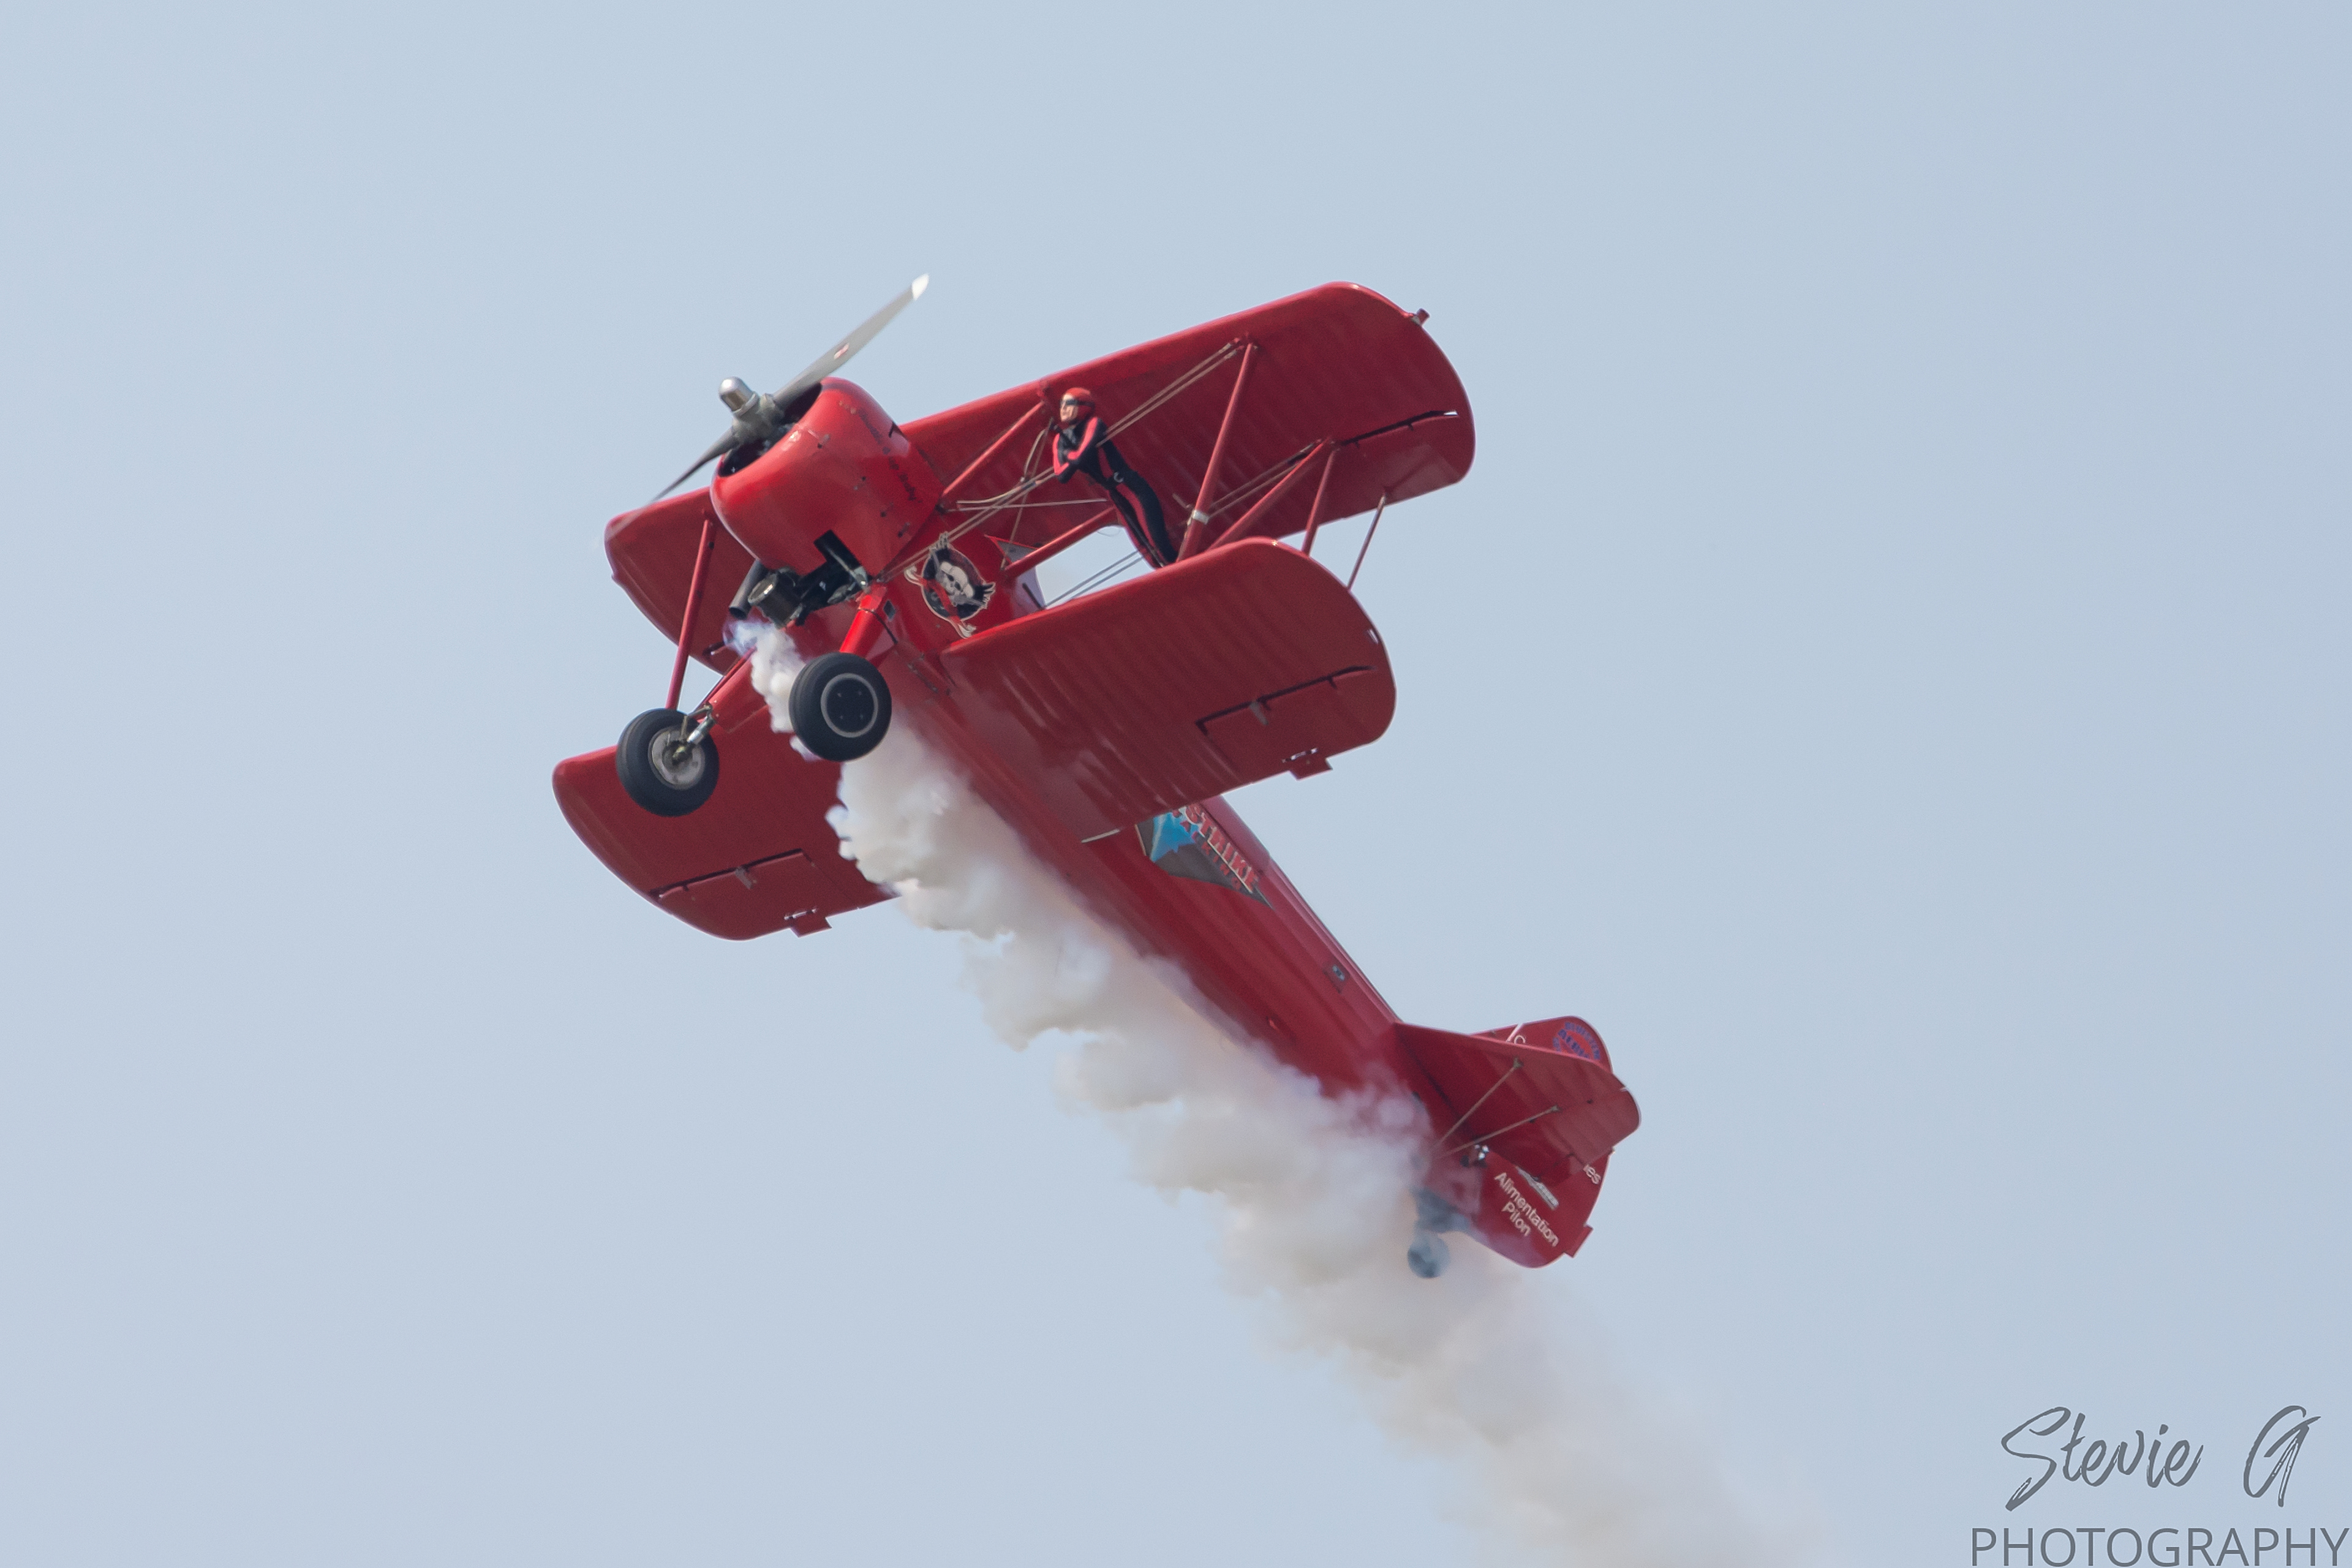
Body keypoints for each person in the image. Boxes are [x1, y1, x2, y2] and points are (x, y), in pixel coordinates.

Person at [1050, 388, 1175, 567]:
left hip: (1131, 486)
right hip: (1115, 494)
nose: (1063, 408)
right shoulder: (1060, 439)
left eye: (1068, 404)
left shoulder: (1094, 424)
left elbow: (1080, 457)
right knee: (1148, 554)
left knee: (1160, 547)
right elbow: (1061, 475)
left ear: (1083, 406)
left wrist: (1068, 453)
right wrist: (1071, 455)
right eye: (1061, 404)